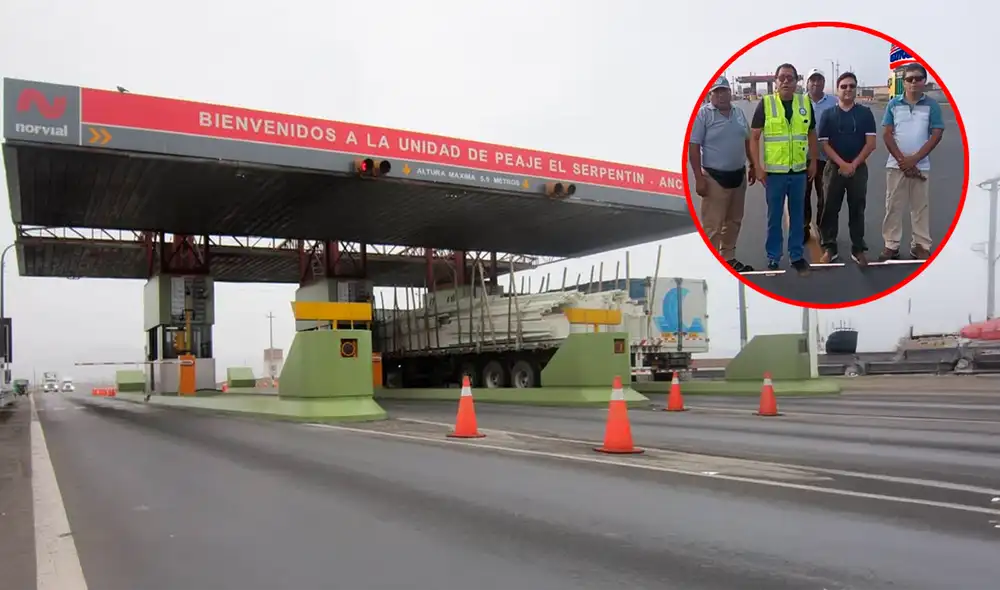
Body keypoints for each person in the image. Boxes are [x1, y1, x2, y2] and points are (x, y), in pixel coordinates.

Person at [749, 63, 819, 275]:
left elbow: (811, 134)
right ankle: (773, 256)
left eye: (790, 77)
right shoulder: (766, 103)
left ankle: (796, 256)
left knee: (798, 217)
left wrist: (813, 161)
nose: (786, 81)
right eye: (782, 78)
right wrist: (758, 167)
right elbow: (754, 136)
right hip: (775, 174)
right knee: (774, 217)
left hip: (799, 172)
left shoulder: (805, 102)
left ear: (797, 81)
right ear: (776, 82)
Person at [689, 76, 757, 272]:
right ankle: (711, 266)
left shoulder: (738, 113)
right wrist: (698, 179)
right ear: (711, 95)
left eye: (723, 91)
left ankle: (728, 258)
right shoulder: (704, 115)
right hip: (714, 179)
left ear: (729, 92)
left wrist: (752, 164)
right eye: (715, 92)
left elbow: (746, 141)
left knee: (734, 221)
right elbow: (694, 147)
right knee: (713, 226)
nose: (720, 95)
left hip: (738, 175)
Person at [879, 63, 945, 261]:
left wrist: (915, 159)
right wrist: (903, 161)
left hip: (921, 166)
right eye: (909, 79)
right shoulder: (893, 104)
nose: (914, 82)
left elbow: (936, 133)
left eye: (918, 78)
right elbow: (887, 134)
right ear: (904, 82)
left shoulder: (931, 106)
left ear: (924, 81)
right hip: (896, 165)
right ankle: (891, 245)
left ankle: (921, 245)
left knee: (920, 207)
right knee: (893, 206)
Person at [817, 72, 878, 266]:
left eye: (852, 86)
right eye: (844, 86)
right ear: (837, 90)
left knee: (857, 208)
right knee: (830, 208)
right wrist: (842, 164)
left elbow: (871, 143)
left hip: (858, 168)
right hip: (834, 168)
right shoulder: (828, 115)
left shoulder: (865, 114)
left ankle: (858, 247)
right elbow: (824, 144)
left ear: (856, 89)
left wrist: (853, 164)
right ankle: (829, 247)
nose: (848, 90)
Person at [803, 68, 838, 247]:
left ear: (824, 83)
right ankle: (804, 228)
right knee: (803, 196)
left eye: (819, 80)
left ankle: (824, 231)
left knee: (825, 197)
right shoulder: (798, 101)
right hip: (803, 158)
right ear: (807, 83)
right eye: (812, 80)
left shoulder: (833, 102)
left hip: (826, 158)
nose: (816, 84)